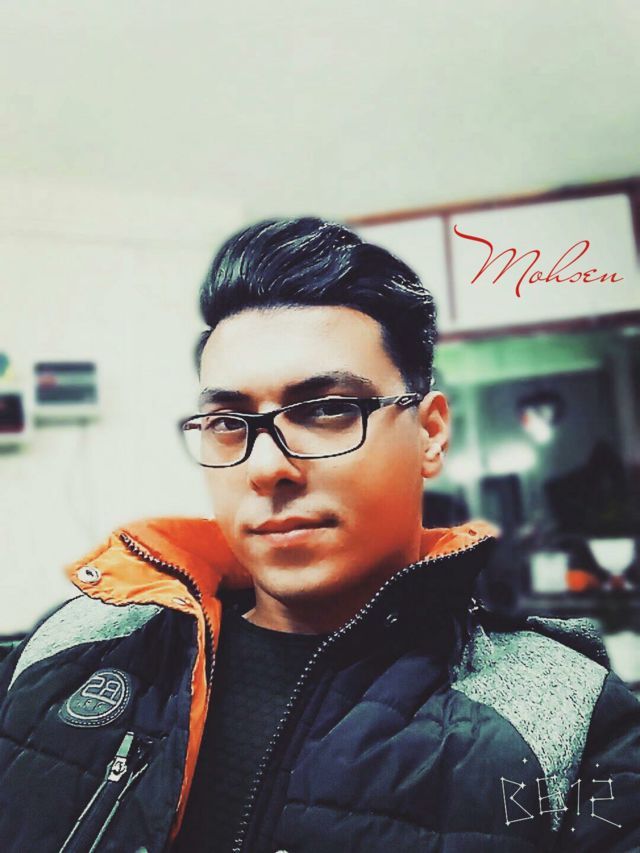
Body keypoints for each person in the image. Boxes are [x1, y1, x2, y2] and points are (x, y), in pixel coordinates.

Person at [0, 218, 638, 853]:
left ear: (430, 433)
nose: (265, 467)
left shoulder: (568, 720)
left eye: (328, 409)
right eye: (228, 421)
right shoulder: (69, 645)